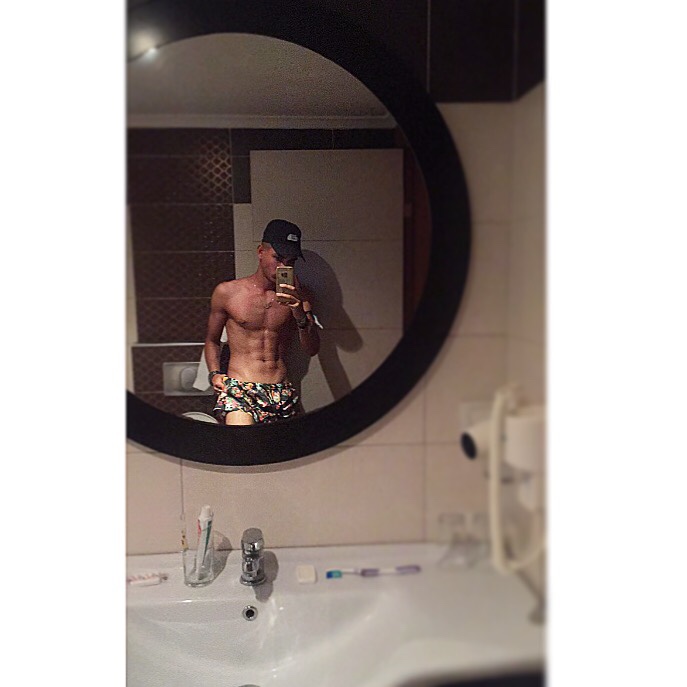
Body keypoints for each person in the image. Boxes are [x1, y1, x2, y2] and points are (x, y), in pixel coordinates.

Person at [204, 219, 320, 425]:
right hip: (240, 389)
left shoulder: (300, 296)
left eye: (290, 262)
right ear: (260, 251)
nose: (283, 267)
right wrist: (214, 374)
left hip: (281, 390)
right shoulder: (228, 292)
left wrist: (299, 314)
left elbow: (312, 349)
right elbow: (212, 340)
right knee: (243, 442)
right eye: (278, 258)